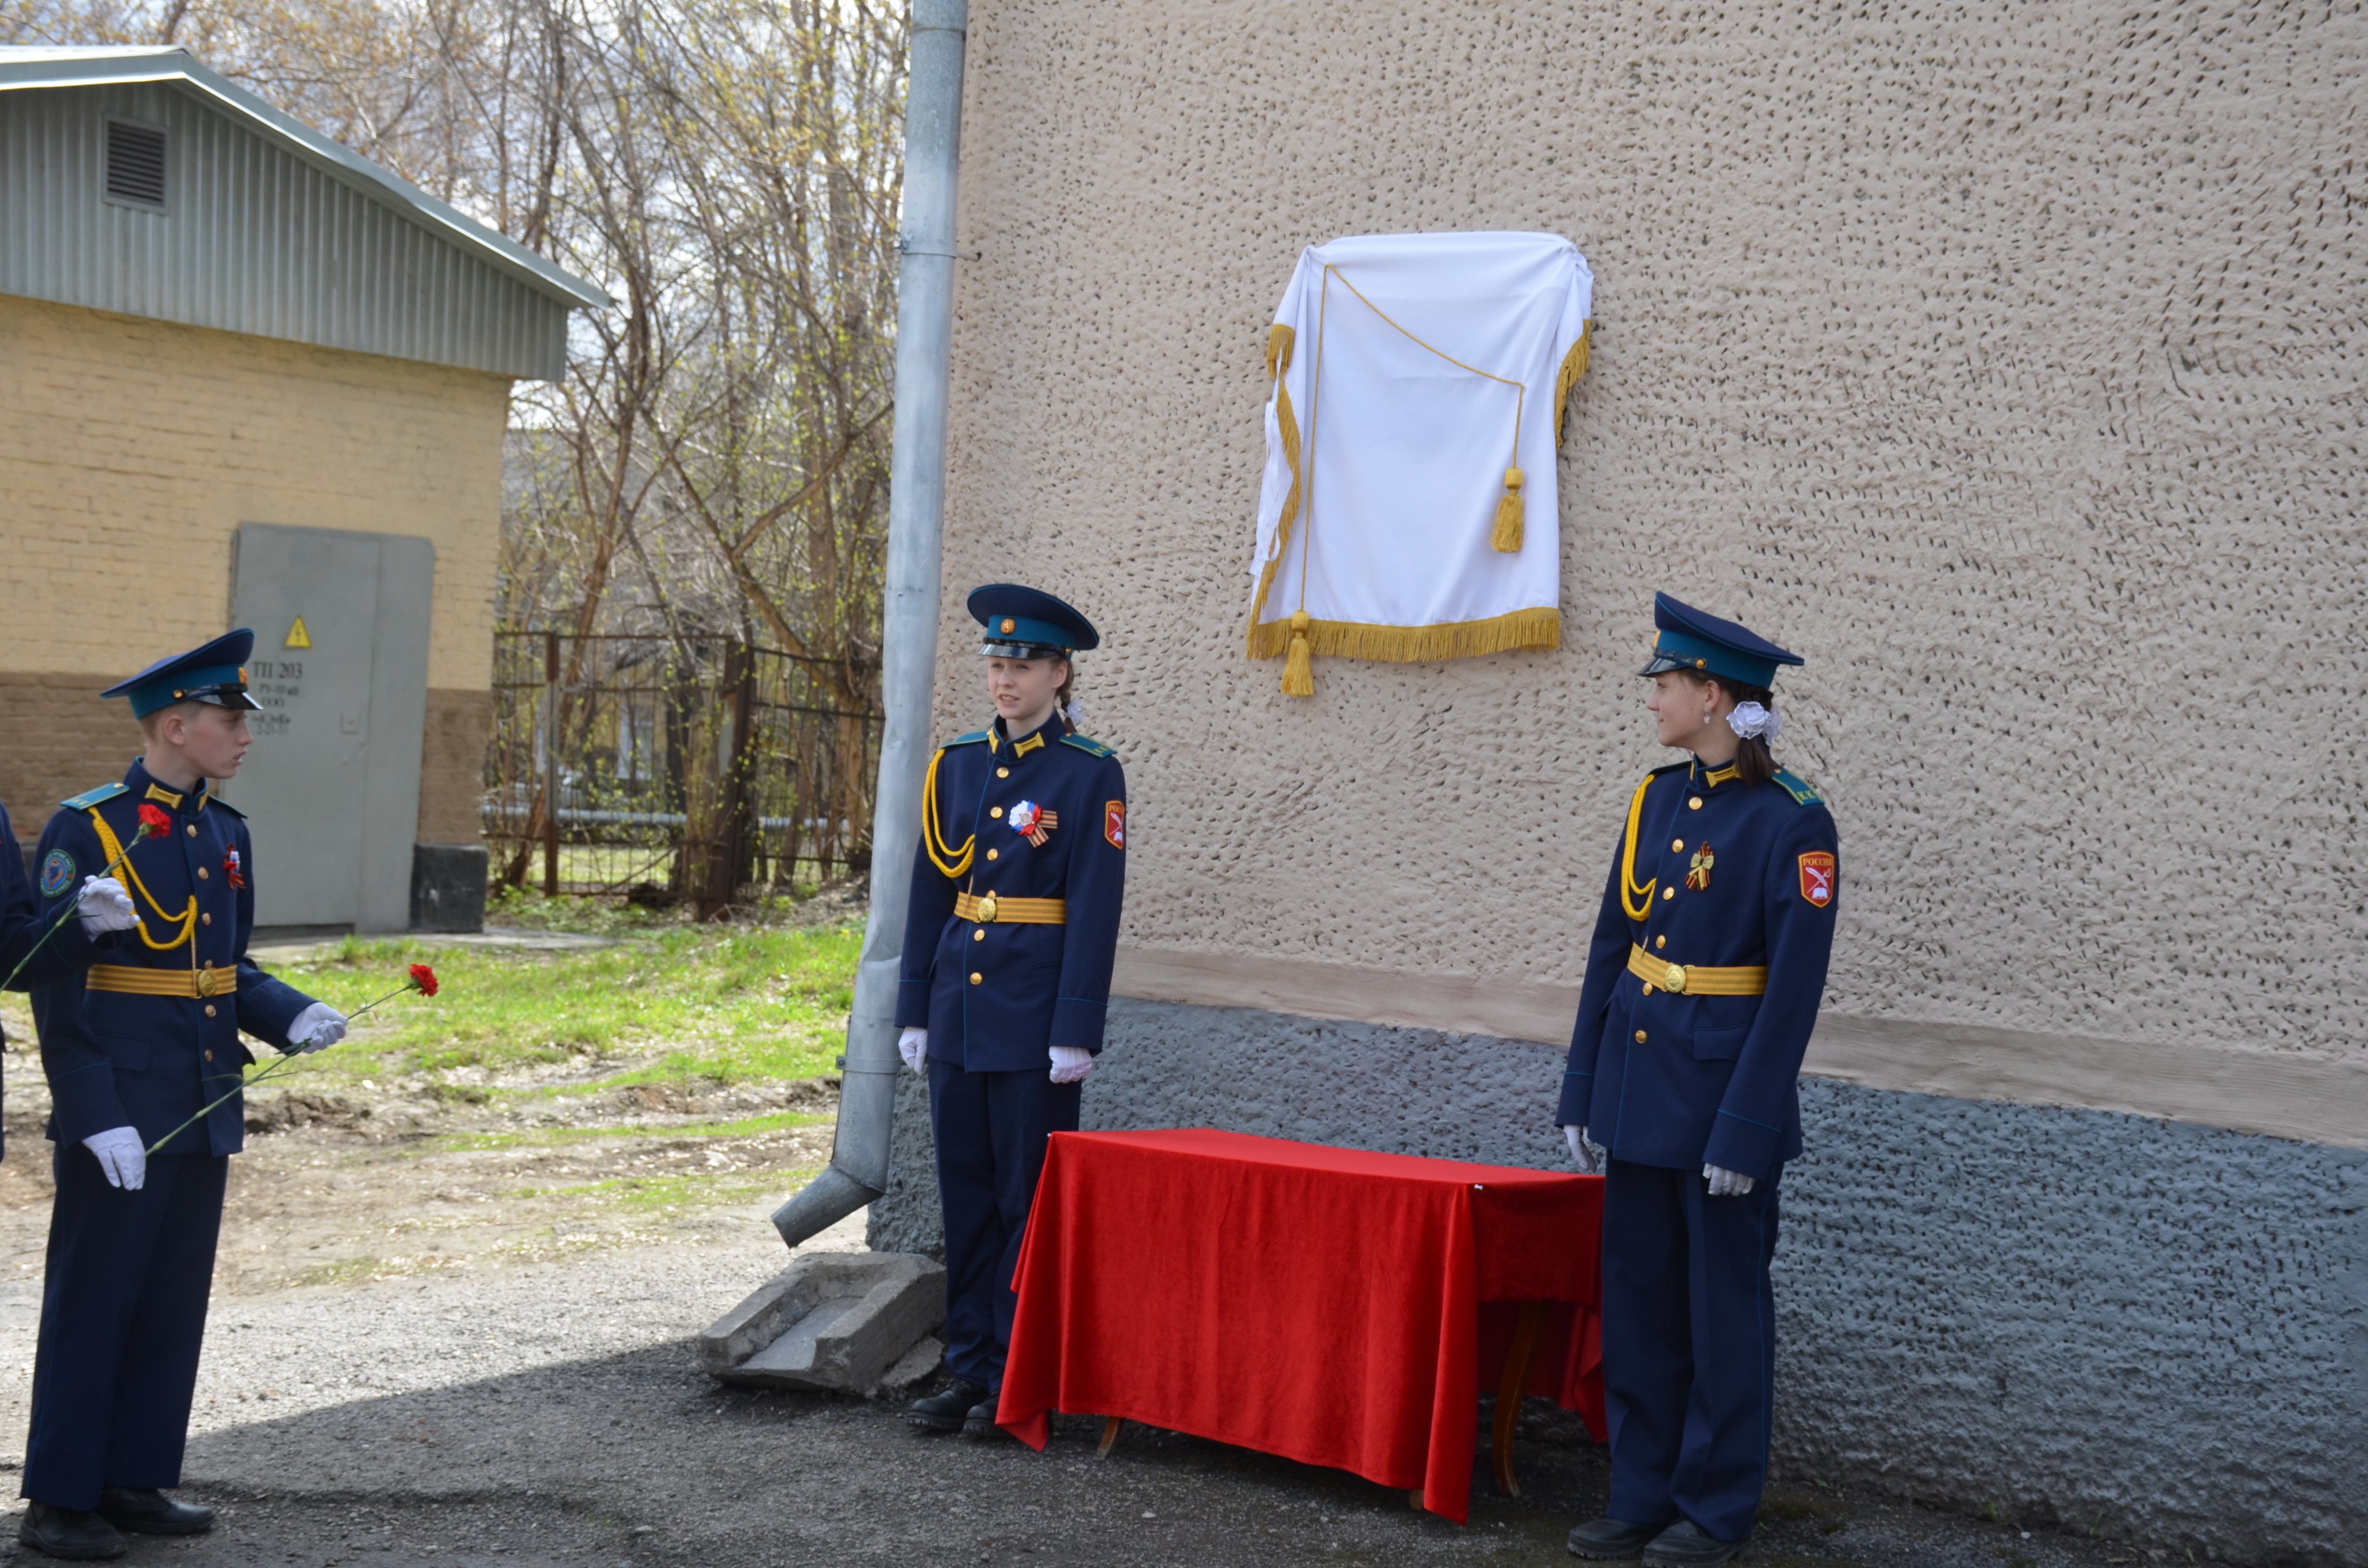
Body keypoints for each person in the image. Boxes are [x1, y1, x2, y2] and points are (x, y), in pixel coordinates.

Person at [19, 631, 347, 1561]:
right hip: (122, 1104)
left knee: (169, 1299)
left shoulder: (221, 831)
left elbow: (225, 968)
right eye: (230, 722)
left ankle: (131, 1479)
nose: (246, 737)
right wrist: (92, 1110)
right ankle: (59, 1500)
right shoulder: (91, 827)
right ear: (176, 724)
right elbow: (53, 984)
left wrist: (291, 1014)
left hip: (202, 1096)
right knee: (96, 1297)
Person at [1558, 594, 1840, 1568]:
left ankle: (1715, 1510)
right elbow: (1612, 949)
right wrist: (1582, 1087)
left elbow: (1792, 997)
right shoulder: (1654, 799)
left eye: (1665, 686)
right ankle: (1640, 1492)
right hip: (1639, 1089)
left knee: (1722, 1317)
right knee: (1637, 1304)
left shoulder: (1794, 823)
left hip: (1721, 1104)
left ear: (1714, 698)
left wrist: (1748, 1127)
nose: (1653, 701)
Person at [897, 585, 1127, 1440]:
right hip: (959, 1012)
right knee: (966, 1197)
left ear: (1061, 675)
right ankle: (968, 1369)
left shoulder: (1089, 772)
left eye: (1023, 666)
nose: (1005, 680)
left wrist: (1076, 1027)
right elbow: (932, 892)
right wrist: (915, 1008)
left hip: (1035, 1023)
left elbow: (1095, 908)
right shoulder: (956, 764)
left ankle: (1016, 1382)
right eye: (997, 664)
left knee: (1023, 1205)